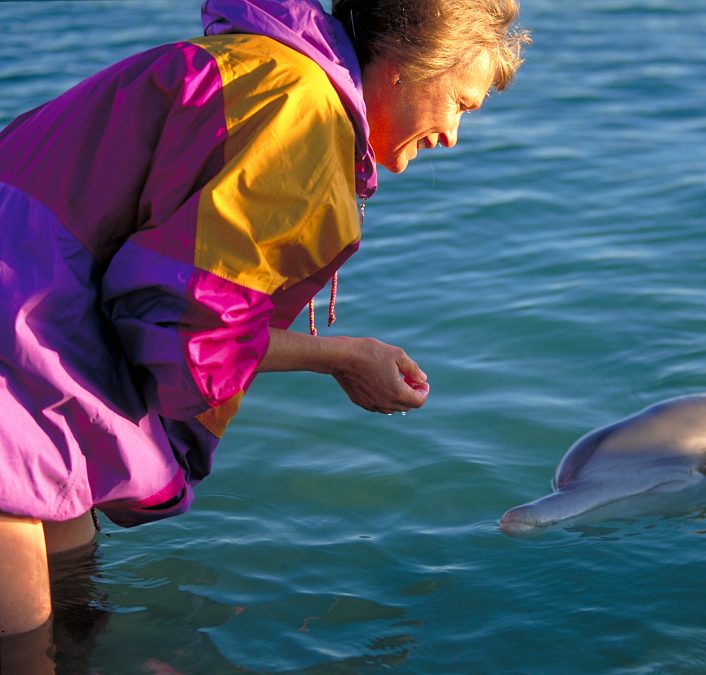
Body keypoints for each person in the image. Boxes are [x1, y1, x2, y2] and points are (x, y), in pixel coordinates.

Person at [0, 0, 528, 637]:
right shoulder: (297, 106)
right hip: (18, 366)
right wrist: (341, 357)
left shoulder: (259, 69)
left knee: (79, 606)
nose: (452, 136)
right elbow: (189, 324)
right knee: (27, 648)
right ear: (410, 66)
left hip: (35, 346)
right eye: (461, 105)